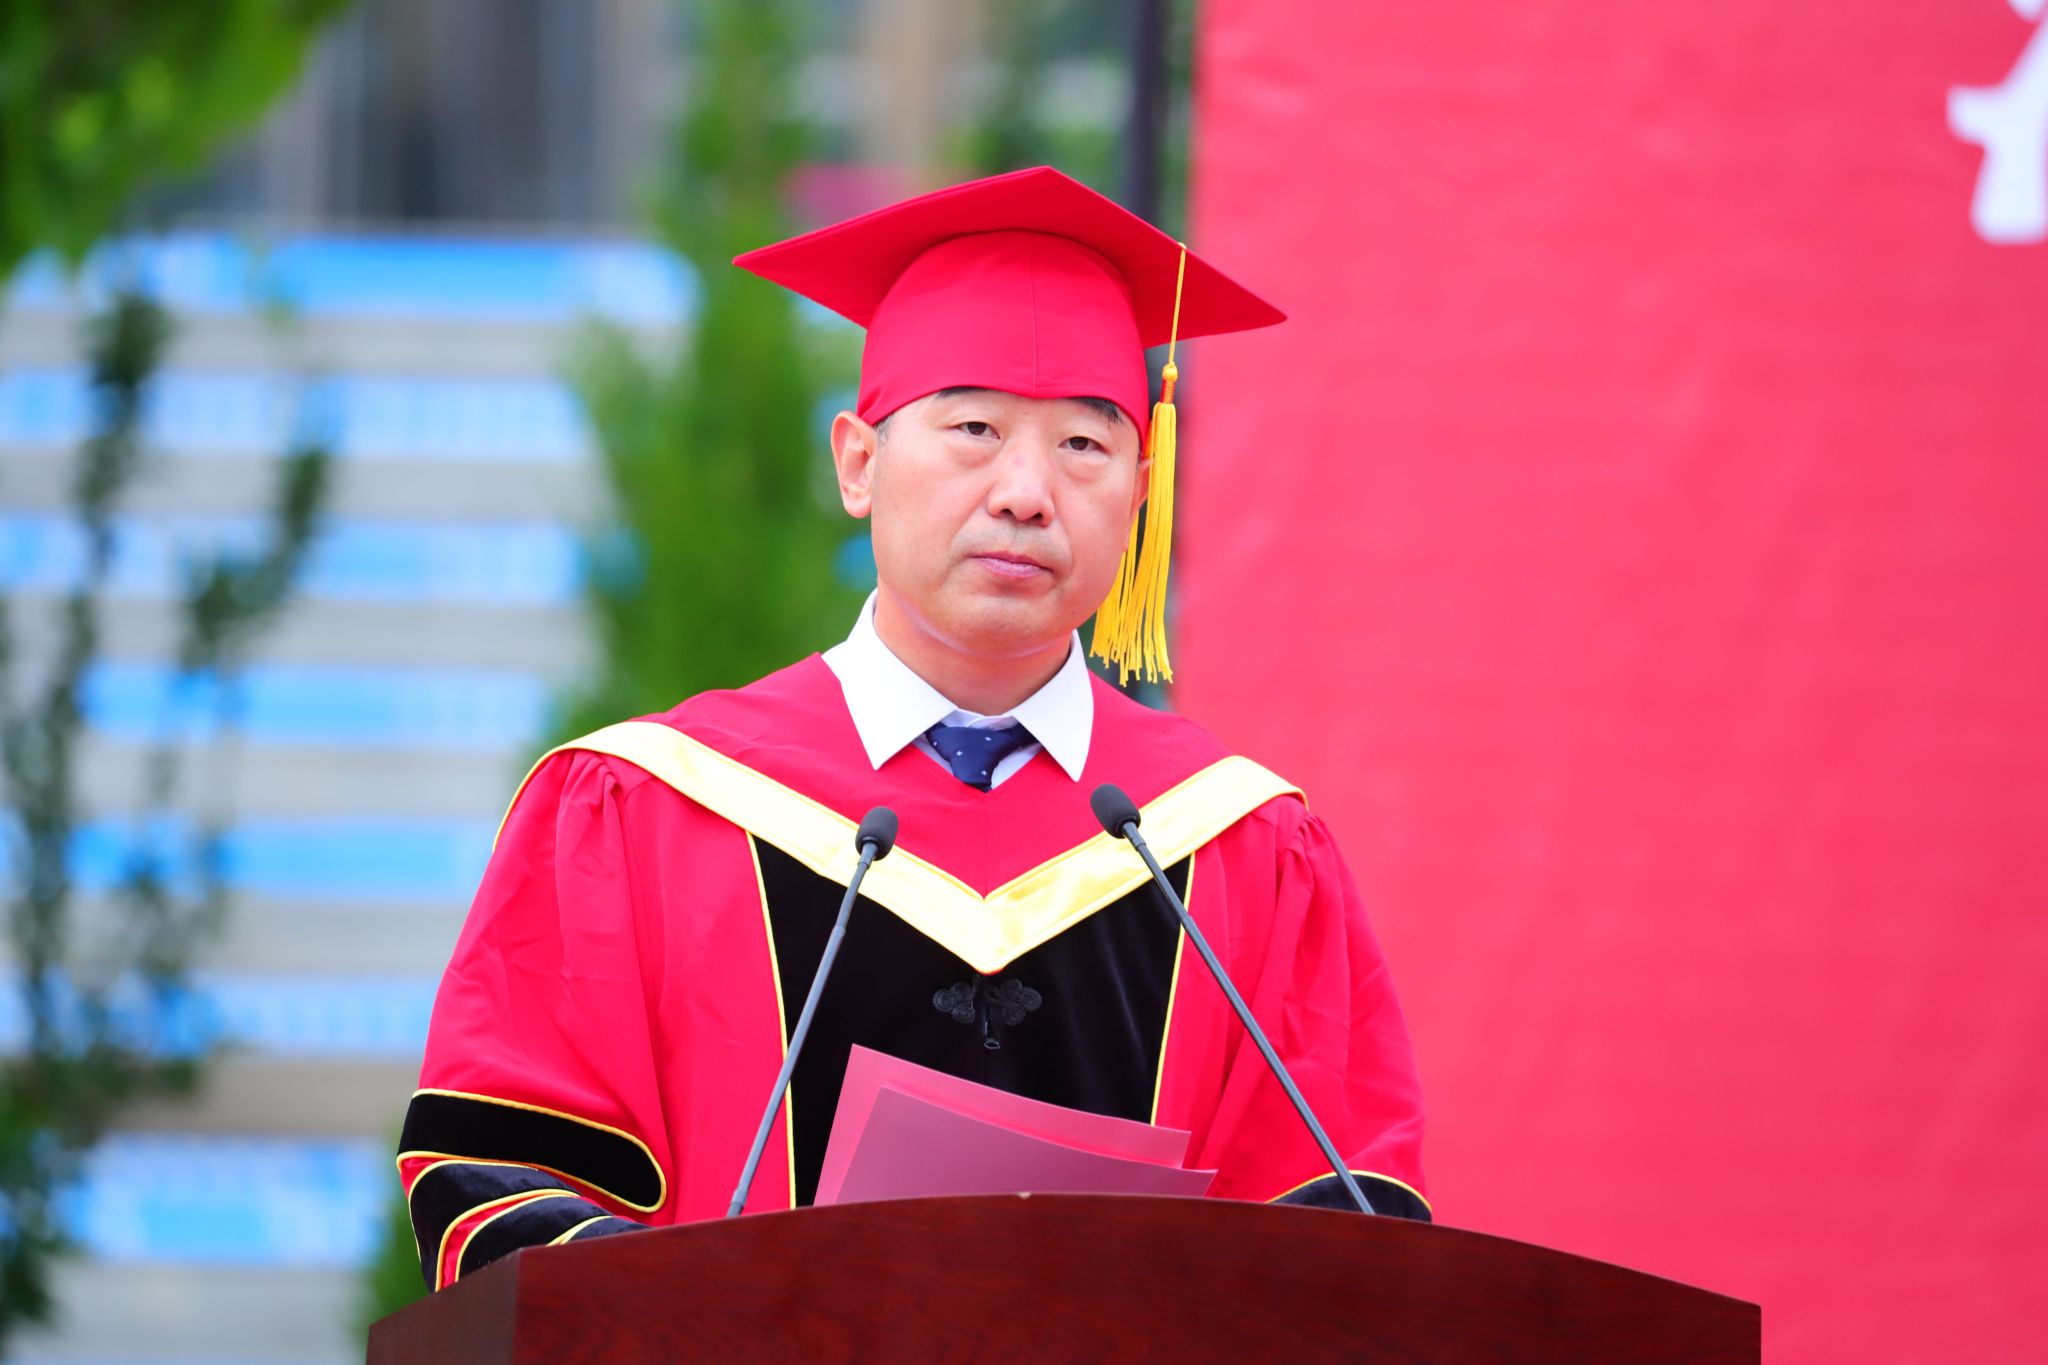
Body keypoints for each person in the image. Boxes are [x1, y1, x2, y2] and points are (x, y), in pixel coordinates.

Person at [398, 166, 1428, 1292]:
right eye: (974, 428)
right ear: (857, 463)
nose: (1026, 492)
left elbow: (1341, 1247)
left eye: (1084, 447)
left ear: (1141, 493)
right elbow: (507, 1185)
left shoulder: (1240, 849)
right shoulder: (646, 809)